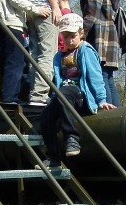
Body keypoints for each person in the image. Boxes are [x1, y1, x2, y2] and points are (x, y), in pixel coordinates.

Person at [39, 13, 116, 166]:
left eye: (72, 35)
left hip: (81, 94)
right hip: (64, 95)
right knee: (46, 115)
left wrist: (101, 99)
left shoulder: (85, 50)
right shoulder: (58, 56)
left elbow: (95, 76)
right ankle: (53, 157)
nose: (69, 39)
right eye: (65, 36)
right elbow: (57, 80)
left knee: (65, 93)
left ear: (81, 33)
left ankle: (72, 138)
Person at [21, 0, 71, 106]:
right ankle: (40, 95)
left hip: (32, 12)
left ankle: (34, 93)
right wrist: (55, 6)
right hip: (45, 10)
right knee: (48, 53)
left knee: (35, 54)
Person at [0, 0, 50, 103]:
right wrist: (36, 9)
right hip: (12, 25)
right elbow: (17, 0)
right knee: (16, 63)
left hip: (1, 25)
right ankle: (11, 98)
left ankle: (7, 96)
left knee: (7, 63)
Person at [79, 0, 121, 107]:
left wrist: (81, 32)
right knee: (109, 78)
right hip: (111, 34)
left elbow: (92, 11)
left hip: (100, 36)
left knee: (101, 76)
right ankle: (116, 115)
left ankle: (107, 116)